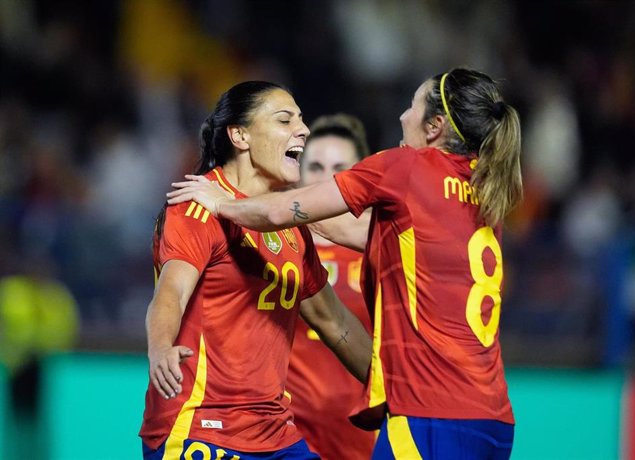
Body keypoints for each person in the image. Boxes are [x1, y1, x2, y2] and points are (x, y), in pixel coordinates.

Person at [168, 67, 522, 459]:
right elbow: (357, 232)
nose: (403, 117)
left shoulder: (407, 168)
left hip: (430, 411)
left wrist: (224, 202)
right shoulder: (484, 194)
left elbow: (283, 213)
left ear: (435, 125)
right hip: (493, 418)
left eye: (412, 107)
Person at [139, 81, 372, 460]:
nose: (304, 130)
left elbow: (335, 323)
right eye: (285, 120)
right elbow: (171, 292)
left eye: (301, 119)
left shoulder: (288, 225)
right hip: (202, 429)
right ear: (240, 135)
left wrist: (395, 391)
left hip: (276, 436)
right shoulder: (196, 206)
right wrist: (161, 346)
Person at [287, 114, 375, 459]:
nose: (326, 179)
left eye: (339, 167)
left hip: (363, 429)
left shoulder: (384, 246)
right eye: (315, 166)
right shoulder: (275, 244)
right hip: (286, 431)